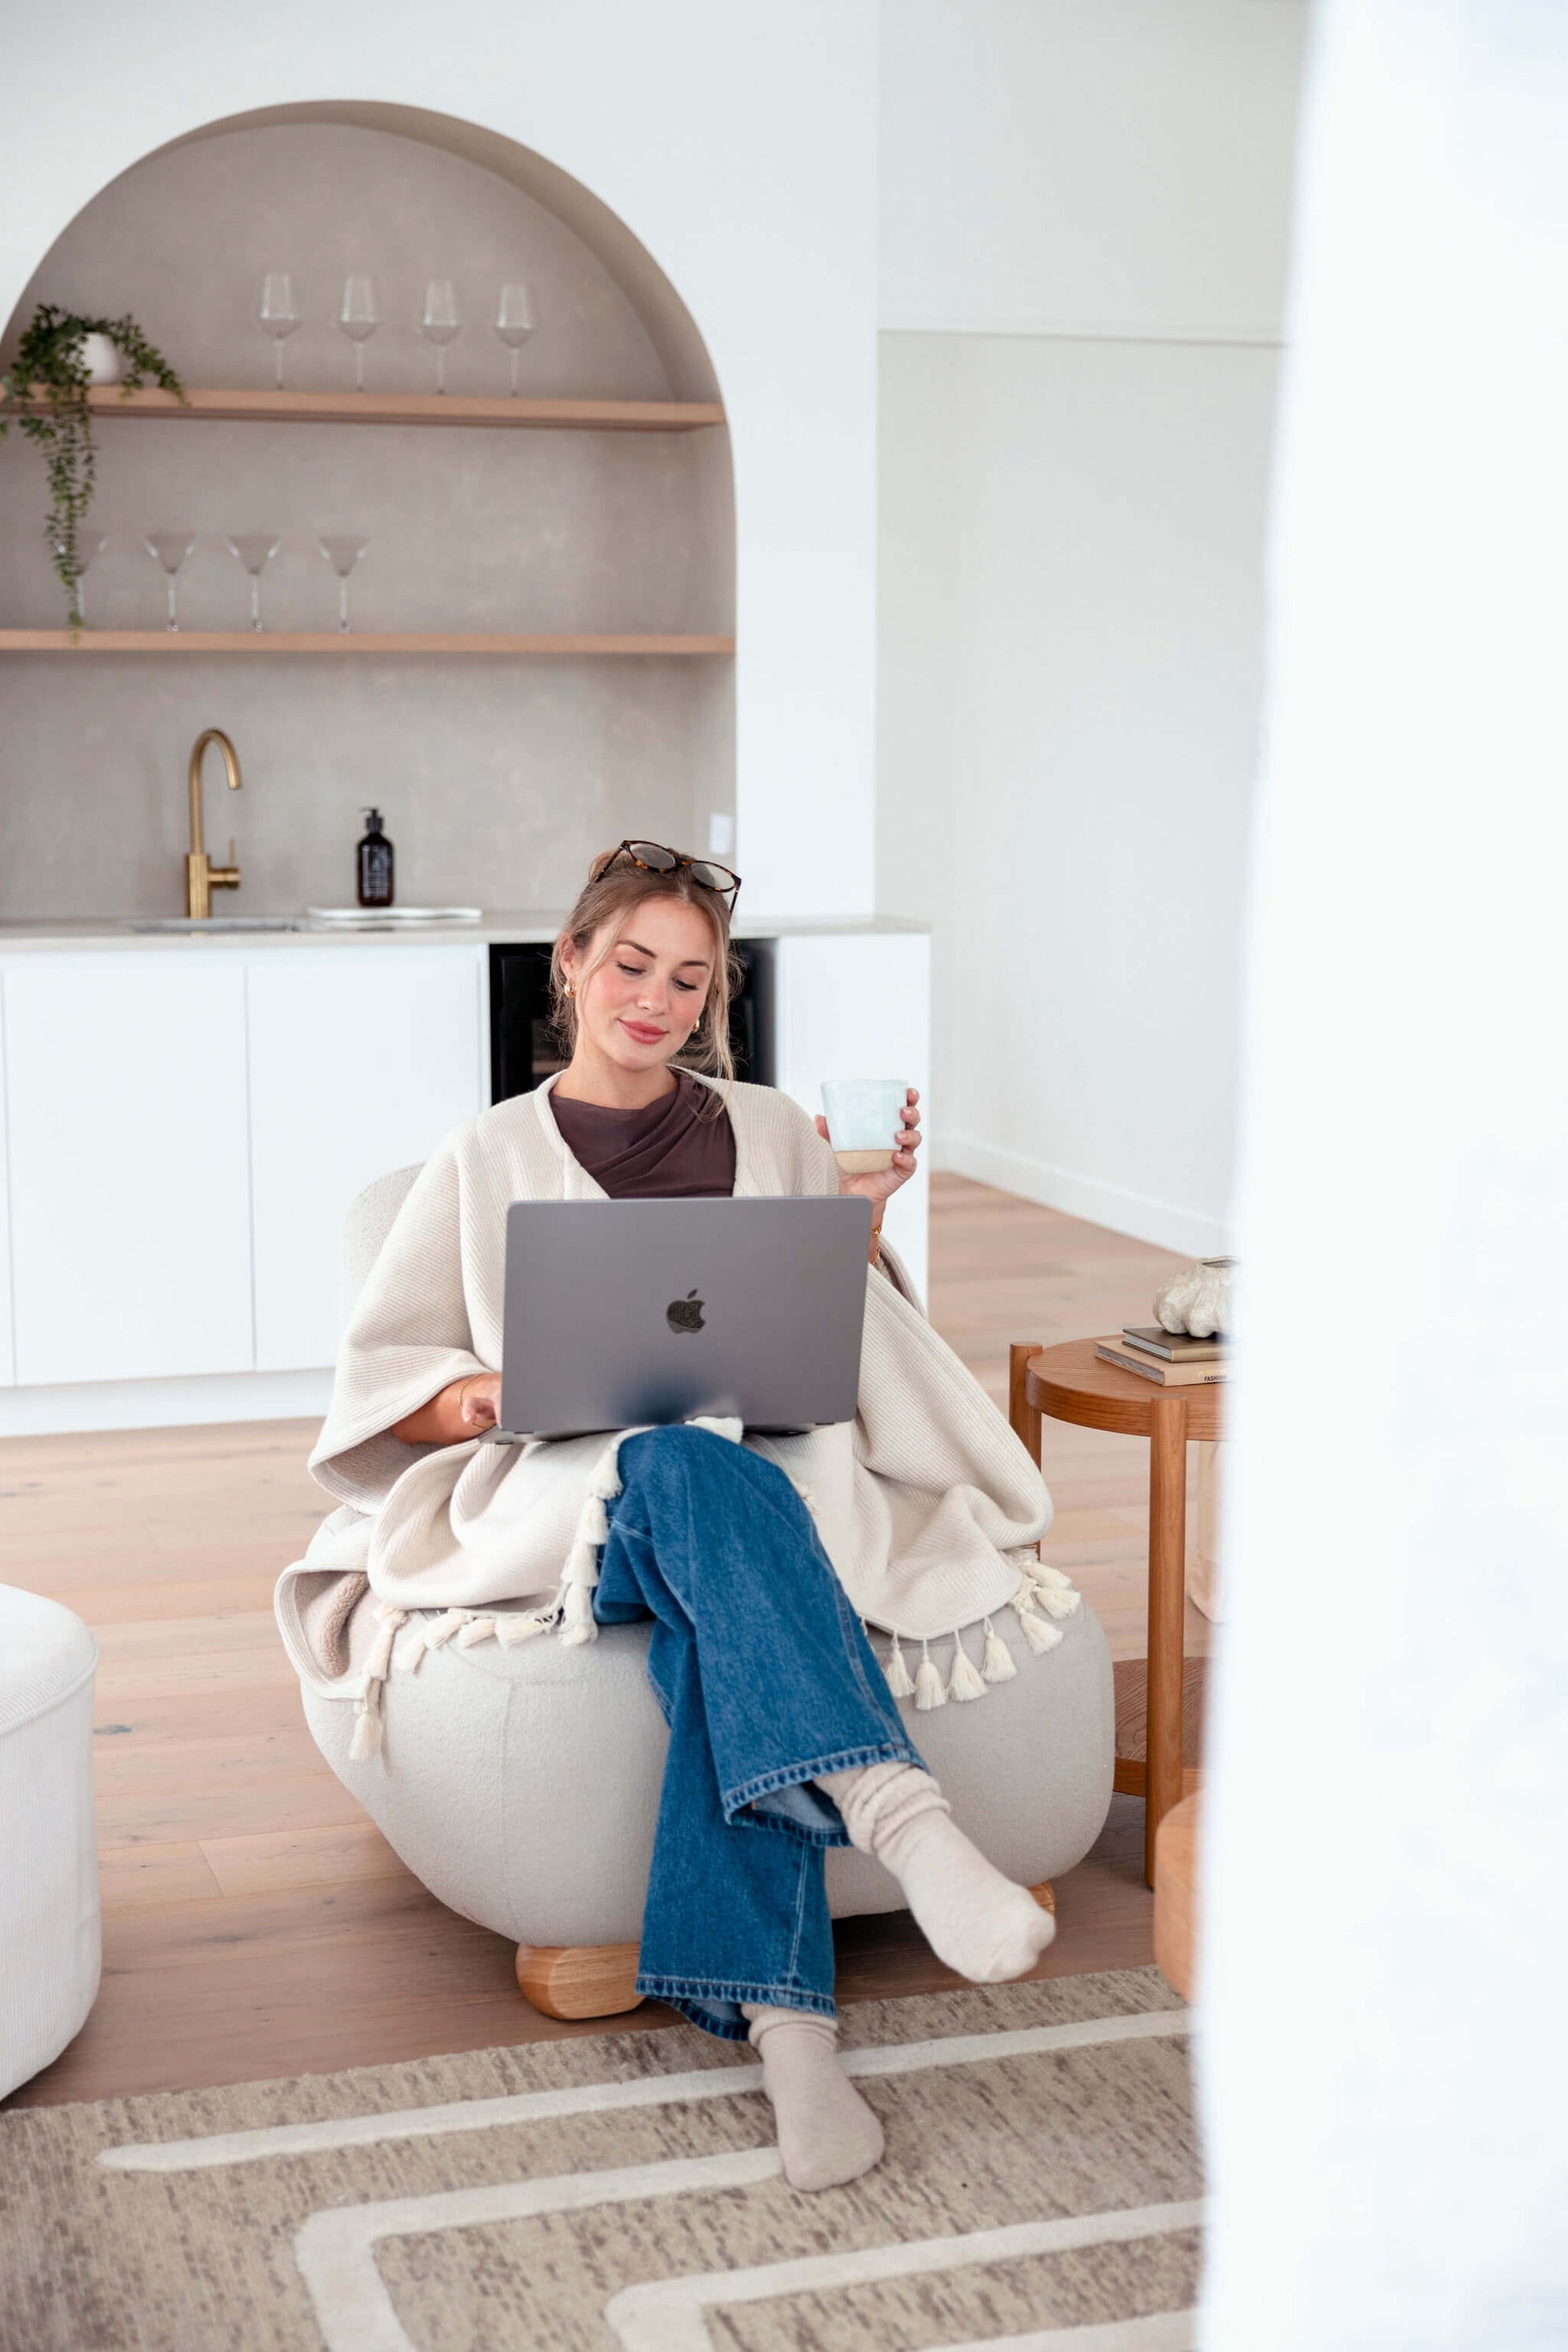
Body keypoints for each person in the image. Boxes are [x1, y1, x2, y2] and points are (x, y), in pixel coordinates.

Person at [287, 840, 1069, 2192]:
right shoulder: (483, 1154)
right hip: (577, 1503)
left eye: (689, 979)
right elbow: (389, 1383)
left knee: (725, 1607)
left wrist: (861, 1224)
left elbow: (842, 1342)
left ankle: (789, 2036)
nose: (655, 999)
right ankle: (904, 1820)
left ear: (714, 1000)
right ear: (572, 967)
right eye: (631, 965)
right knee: (675, 1464)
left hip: (770, 1489)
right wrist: (493, 1393)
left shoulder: (767, 1128)